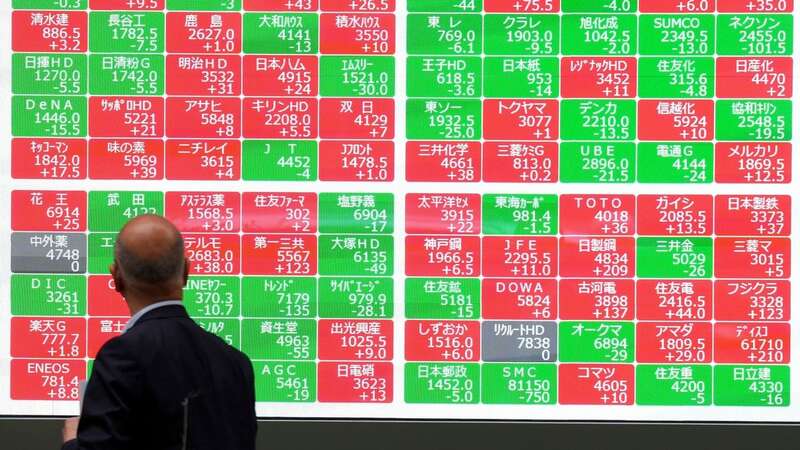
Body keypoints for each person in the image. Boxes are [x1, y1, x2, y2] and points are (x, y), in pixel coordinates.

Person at [62, 215, 257, 450]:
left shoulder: (122, 357)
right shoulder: (236, 363)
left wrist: (73, 440)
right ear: (186, 271)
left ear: (116, 278)